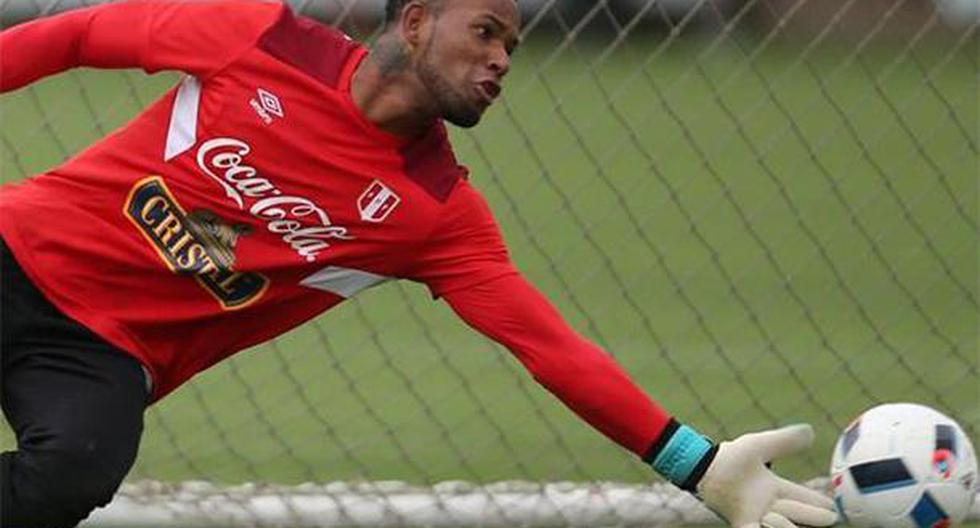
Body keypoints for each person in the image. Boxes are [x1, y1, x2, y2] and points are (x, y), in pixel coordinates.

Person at [0, 0, 839, 526]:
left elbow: (546, 346)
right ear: (413, 23)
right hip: (14, 249)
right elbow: (77, 33)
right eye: (485, 32)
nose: (503, 59)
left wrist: (695, 462)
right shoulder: (258, 36)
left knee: (70, 475)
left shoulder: (436, 213)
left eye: (512, 45)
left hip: (104, 357)